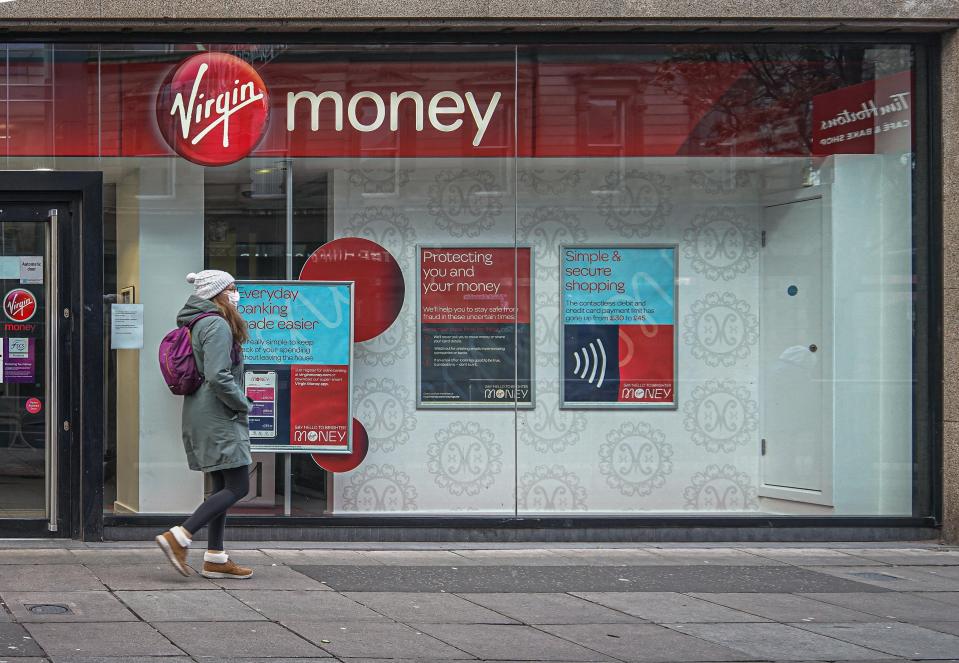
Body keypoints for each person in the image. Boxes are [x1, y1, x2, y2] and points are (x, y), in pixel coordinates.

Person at [155, 270, 254, 579]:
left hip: (204, 412)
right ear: (218, 294)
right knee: (239, 486)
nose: (237, 294)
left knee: (221, 487)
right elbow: (218, 375)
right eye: (233, 289)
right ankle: (180, 536)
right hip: (219, 415)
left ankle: (216, 557)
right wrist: (243, 403)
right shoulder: (217, 324)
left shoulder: (199, 323)